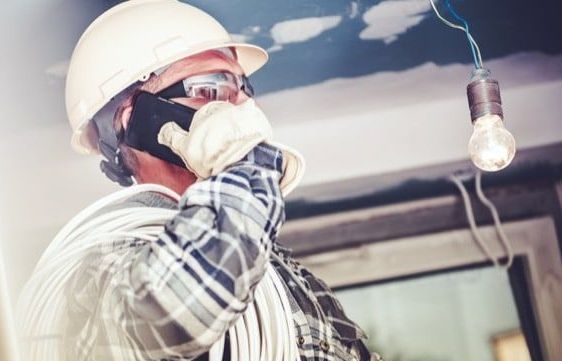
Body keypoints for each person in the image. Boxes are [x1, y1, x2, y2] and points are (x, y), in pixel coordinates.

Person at [26, 1, 382, 360]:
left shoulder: (275, 271)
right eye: (211, 88)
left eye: (245, 88)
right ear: (136, 120)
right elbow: (172, 315)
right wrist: (247, 166)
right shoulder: (103, 262)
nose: (243, 106)